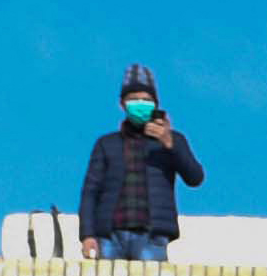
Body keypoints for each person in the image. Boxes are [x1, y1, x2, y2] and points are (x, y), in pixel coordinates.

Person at [76, 63, 202, 263]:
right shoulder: (106, 144)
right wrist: (87, 235)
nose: (140, 104)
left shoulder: (173, 140)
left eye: (146, 100)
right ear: (122, 104)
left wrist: (170, 144)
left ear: (156, 104)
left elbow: (195, 177)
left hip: (151, 237)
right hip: (110, 236)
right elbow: (90, 192)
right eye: (134, 99)